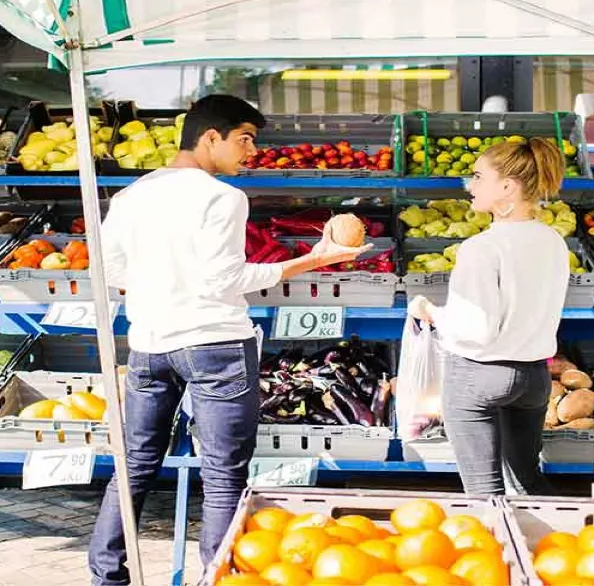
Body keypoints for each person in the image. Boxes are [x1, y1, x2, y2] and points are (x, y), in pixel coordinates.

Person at [88, 94, 370, 585]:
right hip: (215, 346)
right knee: (222, 475)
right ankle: (216, 577)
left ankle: (106, 576)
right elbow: (226, 281)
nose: (251, 151)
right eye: (244, 139)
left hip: (150, 344)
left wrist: (164, 287)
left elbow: (107, 269)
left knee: (132, 466)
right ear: (209, 137)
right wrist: (314, 260)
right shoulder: (223, 197)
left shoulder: (133, 194)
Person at [408, 138, 569, 496]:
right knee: (527, 482)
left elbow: (474, 330)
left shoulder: (481, 248)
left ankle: (497, 550)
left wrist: (430, 312)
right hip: (533, 375)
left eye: (479, 176)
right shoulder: (553, 241)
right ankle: (548, 544)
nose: (470, 185)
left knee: (485, 493)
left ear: (508, 187)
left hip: (479, 375)